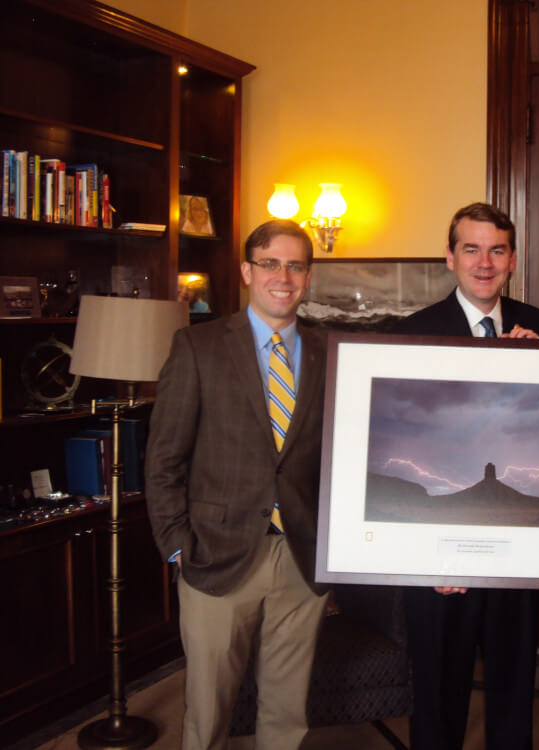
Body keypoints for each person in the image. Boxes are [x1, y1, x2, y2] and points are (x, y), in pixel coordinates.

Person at [146, 219, 329, 750]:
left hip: (300, 555)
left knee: (288, 712)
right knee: (209, 712)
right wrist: (178, 546)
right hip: (214, 554)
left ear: (308, 276)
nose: (283, 276)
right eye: (270, 263)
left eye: (295, 265)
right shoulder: (197, 346)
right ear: (248, 271)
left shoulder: (330, 351)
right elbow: (163, 458)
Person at [394, 202, 539, 750]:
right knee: (439, 690)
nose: (484, 262)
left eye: (497, 250)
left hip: (516, 551)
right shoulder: (413, 331)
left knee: (514, 685)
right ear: (449, 257)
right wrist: (426, 554)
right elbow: (403, 436)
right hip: (440, 555)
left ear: (512, 260)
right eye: (471, 248)